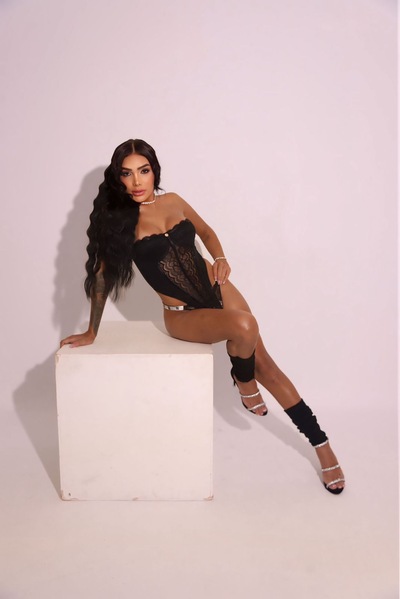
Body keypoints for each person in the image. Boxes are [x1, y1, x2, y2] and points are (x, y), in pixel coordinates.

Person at [60, 138, 345, 495]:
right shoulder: (119, 223)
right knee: (245, 326)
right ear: (117, 178)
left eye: (143, 171)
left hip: (216, 287)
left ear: (154, 171)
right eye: (127, 173)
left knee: (268, 366)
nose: (137, 181)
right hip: (182, 314)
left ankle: (322, 446)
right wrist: (91, 331)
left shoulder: (173, 201)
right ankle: (244, 381)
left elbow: (206, 233)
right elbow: (101, 278)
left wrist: (221, 259)